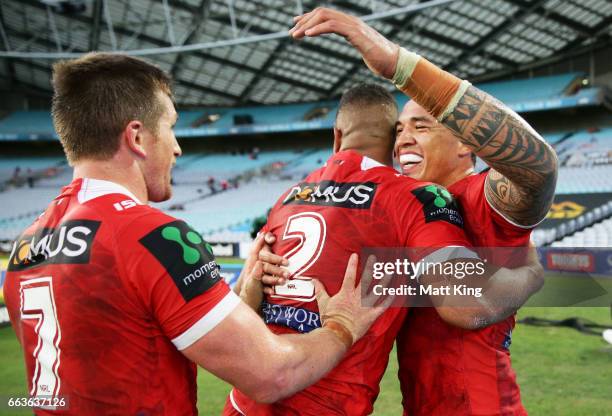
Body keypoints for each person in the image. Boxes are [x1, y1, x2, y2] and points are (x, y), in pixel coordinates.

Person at [3, 53, 388, 415]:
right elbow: (273, 375)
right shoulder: (152, 237)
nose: (178, 147)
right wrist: (342, 325)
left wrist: (241, 298)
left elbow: (129, 344)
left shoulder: (28, 244)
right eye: (170, 127)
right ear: (136, 138)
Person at [289, 7, 558, 415]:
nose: (403, 142)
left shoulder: (483, 197)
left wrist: (399, 64)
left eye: (422, 126)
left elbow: (538, 166)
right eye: (399, 130)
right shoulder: (406, 209)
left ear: (468, 144)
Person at [224, 83, 543, 416]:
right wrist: (532, 275)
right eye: (402, 129)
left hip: (246, 400)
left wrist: (247, 296)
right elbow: (465, 303)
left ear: (336, 136)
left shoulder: (288, 198)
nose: (408, 137)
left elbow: (243, 301)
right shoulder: (410, 198)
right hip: (330, 403)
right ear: (392, 144)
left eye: (420, 127)